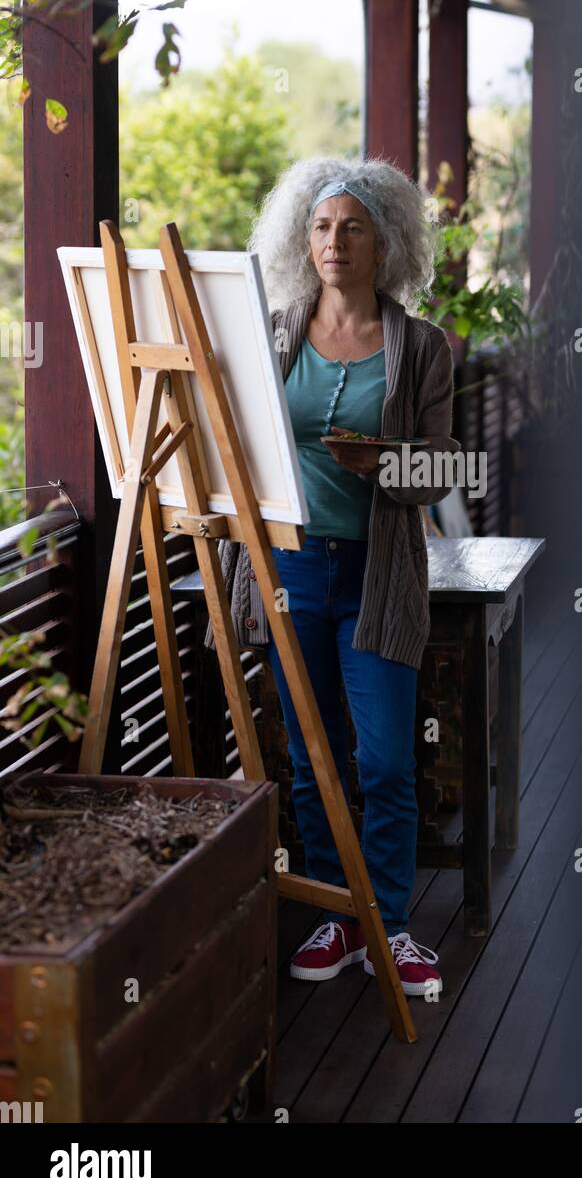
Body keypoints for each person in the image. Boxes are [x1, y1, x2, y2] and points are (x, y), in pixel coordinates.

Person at [209, 156, 462, 997]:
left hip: (377, 575)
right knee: (314, 753)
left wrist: (385, 466)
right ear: (300, 237)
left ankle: (388, 923)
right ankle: (333, 912)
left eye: (353, 226)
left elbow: (442, 472)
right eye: (321, 226)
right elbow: (235, 440)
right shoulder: (274, 334)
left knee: (387, 759)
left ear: (384, 240)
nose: (334, 240)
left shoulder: (422, 349)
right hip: (290, 571)